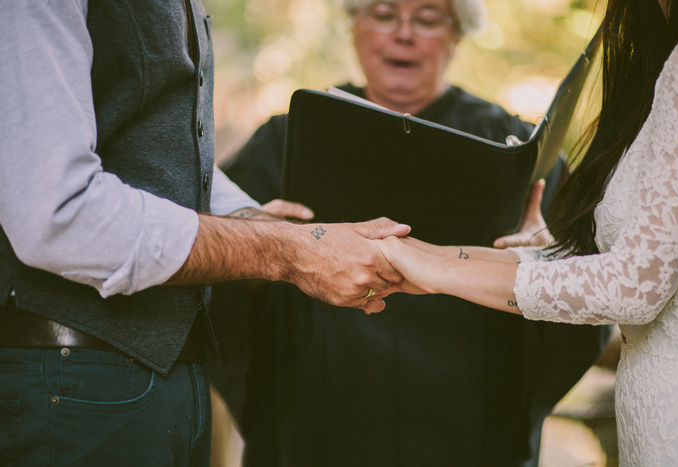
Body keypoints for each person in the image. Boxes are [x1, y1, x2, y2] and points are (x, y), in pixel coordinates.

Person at [0, 1, 411, 464]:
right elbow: (57, 211)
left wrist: (253, 219)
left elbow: (156, 158)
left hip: (169, 388)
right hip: (70, 388)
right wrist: (286, 251)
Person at [211, 0, 610, 465]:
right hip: (317, 419)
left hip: (469, 426)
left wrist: (543, 259)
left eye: (426, 18)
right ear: (353, 25)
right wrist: (262, 247)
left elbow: (589, 291)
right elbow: (218, 285)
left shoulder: (515, 150)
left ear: (457, 34)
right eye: (383, 14)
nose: (403, 33)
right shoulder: (281, 144)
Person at [375, 0, 678, 464]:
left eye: (427, 19)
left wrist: (432, 271)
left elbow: (635, 286)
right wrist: (420, 254)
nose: (403, 34)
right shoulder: (668, 56)